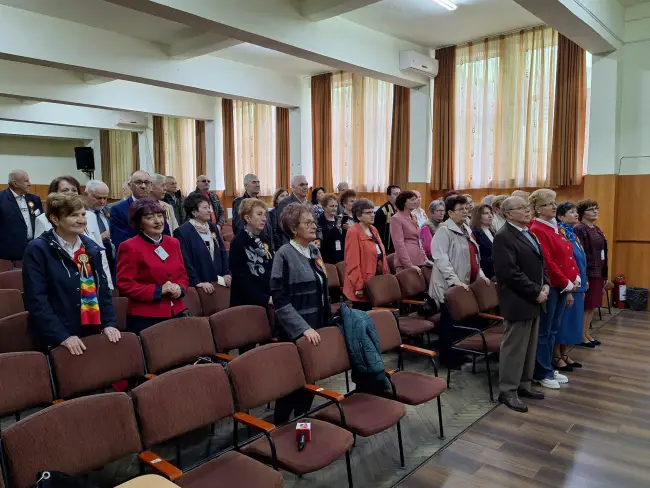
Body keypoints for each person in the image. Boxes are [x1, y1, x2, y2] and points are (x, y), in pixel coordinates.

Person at [23, 193, 119, 355]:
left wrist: (109, 323)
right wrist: (62, 336)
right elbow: (37, 300)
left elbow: (102, 291)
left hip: (91, 328)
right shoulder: (38, 249)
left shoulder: (90, 246)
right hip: (58, 336)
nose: (81, 219)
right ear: (55, 219)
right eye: (74, 215)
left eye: (82, 214)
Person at [271, 202, 329, 423]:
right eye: (307, 222)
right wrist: (302, 328)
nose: (313, 225)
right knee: (292, 381)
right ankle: (280, 426)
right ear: (294, 228)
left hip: (316, 324)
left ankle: (301, 419)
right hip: (294, 330)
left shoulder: (314, 250)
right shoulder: (283, 254)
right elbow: (279, 299)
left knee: (311, 377)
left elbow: (322, 286)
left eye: (313, 222)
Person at [492, 196, 547, 412]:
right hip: (518, 300)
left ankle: (524, 384)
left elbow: (542, 264)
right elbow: (509, 273)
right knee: (514, 348)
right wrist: (536, 291)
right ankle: (508, 391)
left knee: (529, 347)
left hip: (534, 298)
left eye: (527, 206)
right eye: (521, 208)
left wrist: (547, 285)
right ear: (507, 214)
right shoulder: (503, 236)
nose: (527, 210)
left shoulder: (528, 232)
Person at [429, 194, 489, 368]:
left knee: (461, 321)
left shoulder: (466, 228)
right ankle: (447, 358)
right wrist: (453, 280)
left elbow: (474, 256)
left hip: (465, 282)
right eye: (460, 209)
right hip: (450, 284)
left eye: (466, 208)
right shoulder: (444, 230)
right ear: (450, 212)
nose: (465, 212)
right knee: (449, 322)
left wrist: (481, 275)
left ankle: (460, 352)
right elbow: (440, 258)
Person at [116, 198, 189, 334]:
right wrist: (158, 291)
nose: (158, 221)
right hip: (146, 317)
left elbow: (182, 275)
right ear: (139, 223)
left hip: (176, 311)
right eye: (150, 217)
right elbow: (124, 285)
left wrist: (180, 288)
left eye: (160, 216)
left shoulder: (173, 243)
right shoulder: (129, 246)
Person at [529, 189, 578, 390]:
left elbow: (567, 254)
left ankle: (548, 366)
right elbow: (548, 262)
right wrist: (566, 282)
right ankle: (541, 371)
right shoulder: (538, 228)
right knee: (544, 331)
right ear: (538, 209)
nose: (554, 206)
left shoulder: (554, 227)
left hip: (563, 284)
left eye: (554, 202)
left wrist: (574, 277)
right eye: (549, 204)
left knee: (552, 330)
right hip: (553, 286)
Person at [35, 177, 113, 290]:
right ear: (54, 193)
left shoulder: (89, 216)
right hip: (61, 283)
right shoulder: (43, 219)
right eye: (65, 190)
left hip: (90, 280)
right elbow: (41, 255)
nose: (70, 193)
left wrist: (107, 283)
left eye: (74, 190)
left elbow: (100, 252)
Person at [174, 193, 230, 293]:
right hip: (200, 283)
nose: (209, 210)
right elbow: (186, 261)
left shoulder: (212, 227)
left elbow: (222, 252)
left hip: (219, 280)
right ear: (194, 212)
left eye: (209, 207)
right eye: (205, 208)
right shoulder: (182, 232)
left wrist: (226, 273)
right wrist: (197, 282)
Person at [555, 202, 587, 371]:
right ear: (560, 217)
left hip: (578, 283)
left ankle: (565, 353)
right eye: (571, 212)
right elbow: (564, 262)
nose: (576, 215)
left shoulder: (573, 234)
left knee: (572, 323)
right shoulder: (560, 233)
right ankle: (556, 356)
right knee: (563, 323)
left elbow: (580, 260)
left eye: (576, 212)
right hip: (568, 285)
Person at [574, 199, 609, 348]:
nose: (595, 211)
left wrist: (605, 274)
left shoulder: (596, 228)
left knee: (592, 305)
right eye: (591, 209)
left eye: (596, 208)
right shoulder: (580, 229)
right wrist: (585, 276)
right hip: (588, 271)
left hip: (598, 270)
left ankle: (586, 332)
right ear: (582, 213)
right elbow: (580, 254)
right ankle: (580, 335)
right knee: (586, 305)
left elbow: (603, 252)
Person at [343, 198, 389, 309]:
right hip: (362, 284)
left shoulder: (373, 229)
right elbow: (352, 263)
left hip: (375, 281)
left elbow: (381, 255)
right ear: (358, 216)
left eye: (373, 212)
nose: (372, 215)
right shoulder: (353, 232)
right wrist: (359, 286)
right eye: (368, 213)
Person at [229, 198, 274, 308]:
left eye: (265, 214)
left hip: (268, 299)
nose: (264, 219)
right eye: (259, 214)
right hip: (246, 304)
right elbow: (241, 280)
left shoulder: (264, 239)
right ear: (247, 218)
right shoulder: (238, 242)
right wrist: (265, 298)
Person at [0, 170, 43, 261]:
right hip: (8, 254)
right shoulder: (1, 199)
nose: (30, 184)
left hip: (34, 250)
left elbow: (41, 222)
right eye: (26, 181)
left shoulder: (34, 199)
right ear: (15, 183)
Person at [109, 170, 153, 250]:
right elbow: (120, 240)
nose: (143, 186)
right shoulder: (118, 209)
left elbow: (165, 234)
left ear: (151, 186)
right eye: (138, 182)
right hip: (131, 257)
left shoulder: (157, 207)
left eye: (147, 182)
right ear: (130, 186)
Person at [390, 190, 429, 273]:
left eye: (416, 199)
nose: (415, 202)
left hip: (419, 259)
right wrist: (408, 264)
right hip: (406, 263)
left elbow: (419, 240)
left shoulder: (413, 217)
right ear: (404, 202)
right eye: (412, 199)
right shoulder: (396, 218)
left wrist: (425, 258)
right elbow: (399, 244)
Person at [85, 179, 115, 280]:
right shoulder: (80, 214)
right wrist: (101, 237)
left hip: (113, 260)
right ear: (86, 195)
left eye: (105, 198)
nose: (102, 201)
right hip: (90, 263)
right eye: (98, 198)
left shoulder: (111, 211)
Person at [274, 175, 310, 247]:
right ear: (293, 187)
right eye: (302, 185)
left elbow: (316, 224)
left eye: (306, 184)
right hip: (291, 244)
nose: (305, 187)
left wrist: (318, 239)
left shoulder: (309, 204)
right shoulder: (284, 203)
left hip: (309, 243)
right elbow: (282, 227)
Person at [318, 193, 346, 264]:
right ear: (324, 207)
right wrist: (335, 229)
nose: (334, 208)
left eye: (336, 206)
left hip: (341, 257)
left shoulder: (339, 220)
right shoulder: (319, 221)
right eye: (331, 206)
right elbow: (322, 240)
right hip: (327, 258)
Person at [470, 204, 495, 279]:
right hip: (486, 274)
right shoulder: (474, 233)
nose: (490, 216)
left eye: (491, 213)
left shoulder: (491, 230)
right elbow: (477, 257)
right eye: (486, 213)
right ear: (478, 216)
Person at [374, 185, 400, 254]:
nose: (398, 196)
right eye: (395, 194)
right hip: (387, 247)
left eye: (399, 194)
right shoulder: (383, 211)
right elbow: (379, 232)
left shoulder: (400, 209)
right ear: (388, 196)